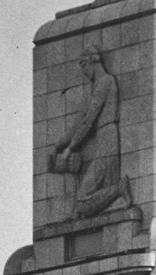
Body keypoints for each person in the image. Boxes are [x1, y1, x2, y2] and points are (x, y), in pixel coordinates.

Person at [52, 45, 132, 219]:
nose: (84, 72)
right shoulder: (98, 86)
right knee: (83, 205)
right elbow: (81, 120)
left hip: (107, 138)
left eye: (83, 66)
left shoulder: (105, 82)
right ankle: (115, 193)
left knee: (82, 199)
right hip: (106, 138)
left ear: (91, 62)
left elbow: (89, 119)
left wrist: (70, 148)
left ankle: (120, 188)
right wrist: (62, 142)